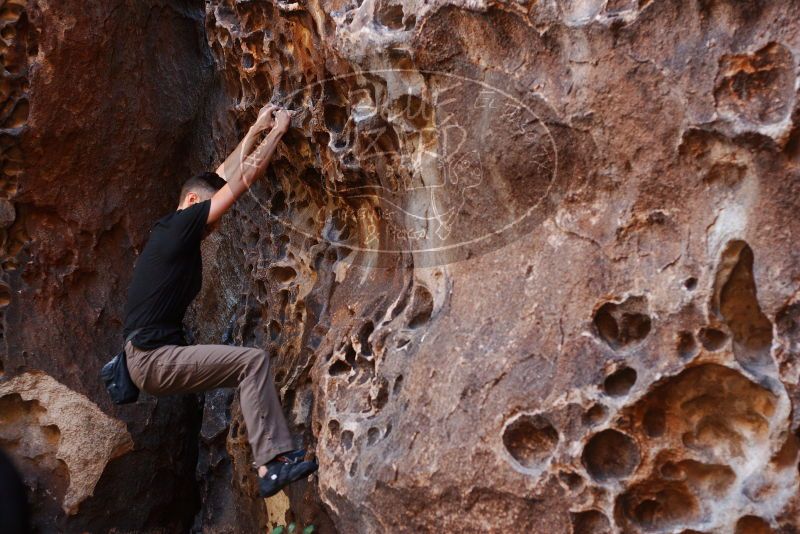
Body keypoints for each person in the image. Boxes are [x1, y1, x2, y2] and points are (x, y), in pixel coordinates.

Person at [121, 104, 317, 498]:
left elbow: (221, 175)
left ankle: (272, 462)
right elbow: (241, 179)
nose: (216, 227)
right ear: (191, 202)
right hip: (152, 359)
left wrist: (256, 127)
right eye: (211, 218)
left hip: (148, 359)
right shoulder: (180, 226)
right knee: (252, 361)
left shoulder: (173, 229)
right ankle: (273, 464)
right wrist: (278, 132)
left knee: (244, 369)